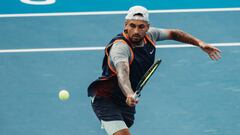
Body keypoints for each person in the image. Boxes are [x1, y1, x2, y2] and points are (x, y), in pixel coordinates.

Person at [88, 5, 221, 135]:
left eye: (141, 27)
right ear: (125, 25)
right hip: (106, 98)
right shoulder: (120, 48)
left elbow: (174, 33)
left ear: (148, 27)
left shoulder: (151, 36)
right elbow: (123, 73)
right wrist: (129, 93)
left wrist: (199, 43)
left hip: (126, 102)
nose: (136, 31)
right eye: (132, 25)